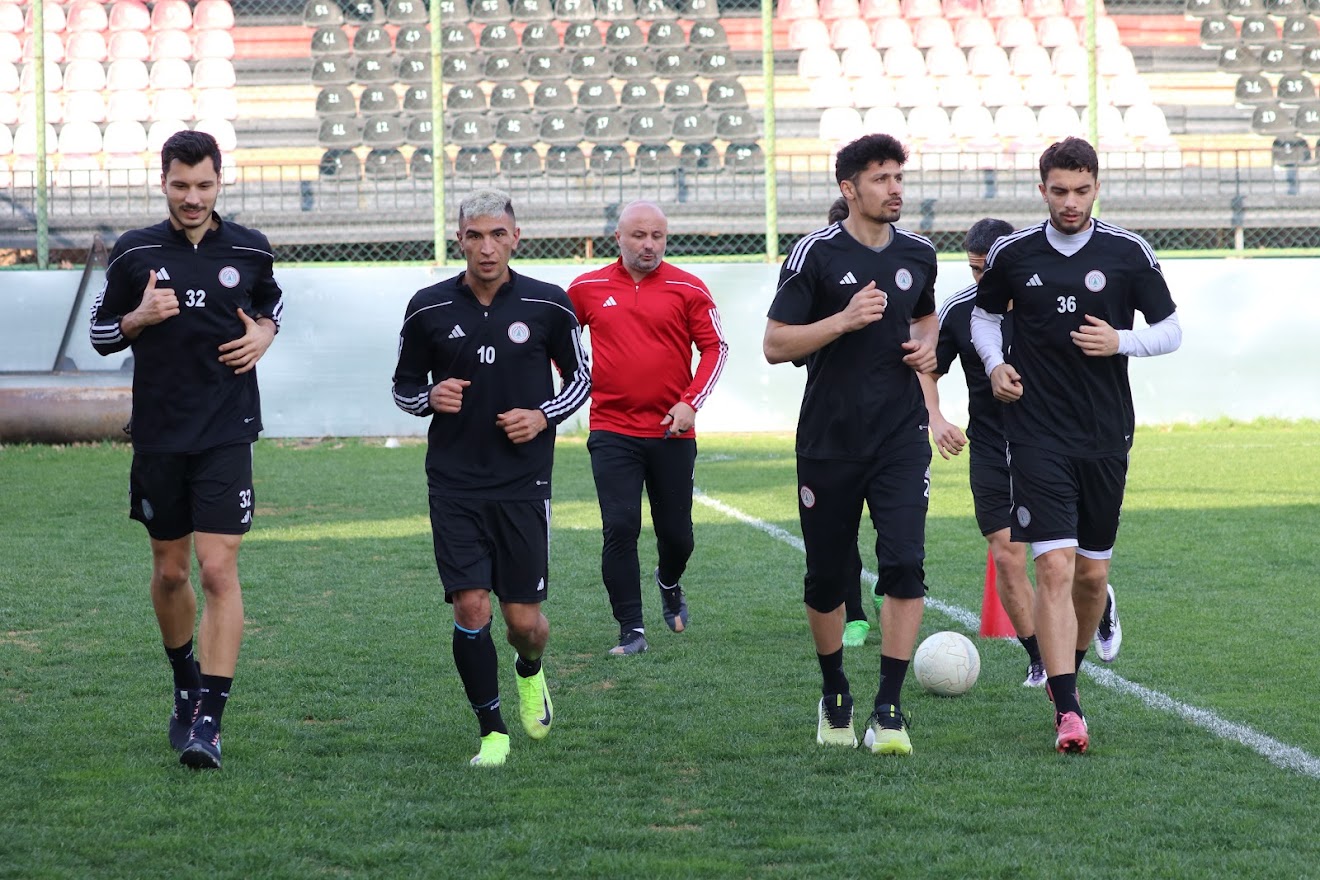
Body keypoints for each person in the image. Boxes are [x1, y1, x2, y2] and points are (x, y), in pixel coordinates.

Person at [971, 137, 1181, 753]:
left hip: (1104, 433)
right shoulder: (1013, 253)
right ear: (1042, 189)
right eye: (1058, 191)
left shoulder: (1127, 253)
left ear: (1097, 187)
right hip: (1035, 432)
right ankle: (1068, 710)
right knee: (1054, 565)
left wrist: (1121, 342)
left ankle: (1072, 675)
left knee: (1091, 575)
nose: (1070, 202)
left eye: (1081, 191)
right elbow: (985, 318)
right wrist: (992, 365)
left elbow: (1170, 330)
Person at [89, 130, 284, 770]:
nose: (192, 197)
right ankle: (184, 679)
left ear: (219, 182)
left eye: (203, 185)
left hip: (227, 430)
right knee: (171, 572)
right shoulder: (134, 251)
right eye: (180, 185)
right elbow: (99, 332)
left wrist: (264, 336)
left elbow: (271, 308)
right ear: (163, 181)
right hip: (160, 435)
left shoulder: (251, 250)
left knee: (217, 570)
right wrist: (138, 318)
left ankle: (210, 722)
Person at [391, 190, 591, 767]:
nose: (487, 247)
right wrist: (429, 396)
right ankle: (493, 732)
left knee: (523, 623)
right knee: (471, 607)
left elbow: (582, 378)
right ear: (460, 240)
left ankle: (531, 669)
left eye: (497, 235)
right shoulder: (428, 307)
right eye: (475, 235)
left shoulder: (548, 304)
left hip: (523, 483)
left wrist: (543, 415)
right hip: (453, 481)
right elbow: (403, 388)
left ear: (516, 238)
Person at [764, 133, 939, 756]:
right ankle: (835, 690)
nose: (895, 189)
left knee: (904, 565)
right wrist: (843, 320)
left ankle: (889, 708)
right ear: (850, 188)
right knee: (826, 577)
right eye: (882, 178)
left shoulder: (919, 253)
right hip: (830, 442)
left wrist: (927, 347)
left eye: (899, 177)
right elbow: (775, 344)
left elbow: (923, 316)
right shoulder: (814, 253)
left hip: (899, 439)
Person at [566, 202, 728, 656]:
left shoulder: (688, 287)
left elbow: (716, 349)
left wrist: (689, 402)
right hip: (612, 429)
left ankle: (669, 580)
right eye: (639, 235)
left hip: (672, 433)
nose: (649, 245)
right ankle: (631, 629)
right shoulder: (587, 287)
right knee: (620, 526)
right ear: (617, 238)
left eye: (657, 236)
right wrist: (578, 377)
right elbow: (557, 337)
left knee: (677, 536)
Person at [920, 217, 1053, 686]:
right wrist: (936, 418)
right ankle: (1038, 657)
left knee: (1060, 558)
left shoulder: (1050, 297)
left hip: (1052, 446)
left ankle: (1095, 601)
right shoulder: (960, 310)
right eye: (975, 269)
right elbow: (927, 370)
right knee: (1006, 553)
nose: (982, 280)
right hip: (993, 449)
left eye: (989, 269)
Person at [825, 194, 882, 650]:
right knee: (840, 532)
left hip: (893, 427)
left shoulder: (902, 266)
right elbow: (787, 347)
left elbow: (924, 329)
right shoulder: (817, 272)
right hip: (835, 426)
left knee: (896, 527)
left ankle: (888, 587)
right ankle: (856, 614)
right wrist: (838, 324)